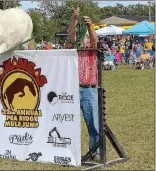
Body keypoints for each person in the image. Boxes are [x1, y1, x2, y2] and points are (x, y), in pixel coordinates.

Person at [66, 7, 100, 161]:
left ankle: (95, 152)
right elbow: (71, 37)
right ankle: (68, 152)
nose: (80, 39)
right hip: (71, 89)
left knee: (93, 123)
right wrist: (74, 18)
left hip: (89, 88)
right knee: (68, 123)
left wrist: (90, 26)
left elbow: (94, 41)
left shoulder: (91, 43)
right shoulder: (71, 44)